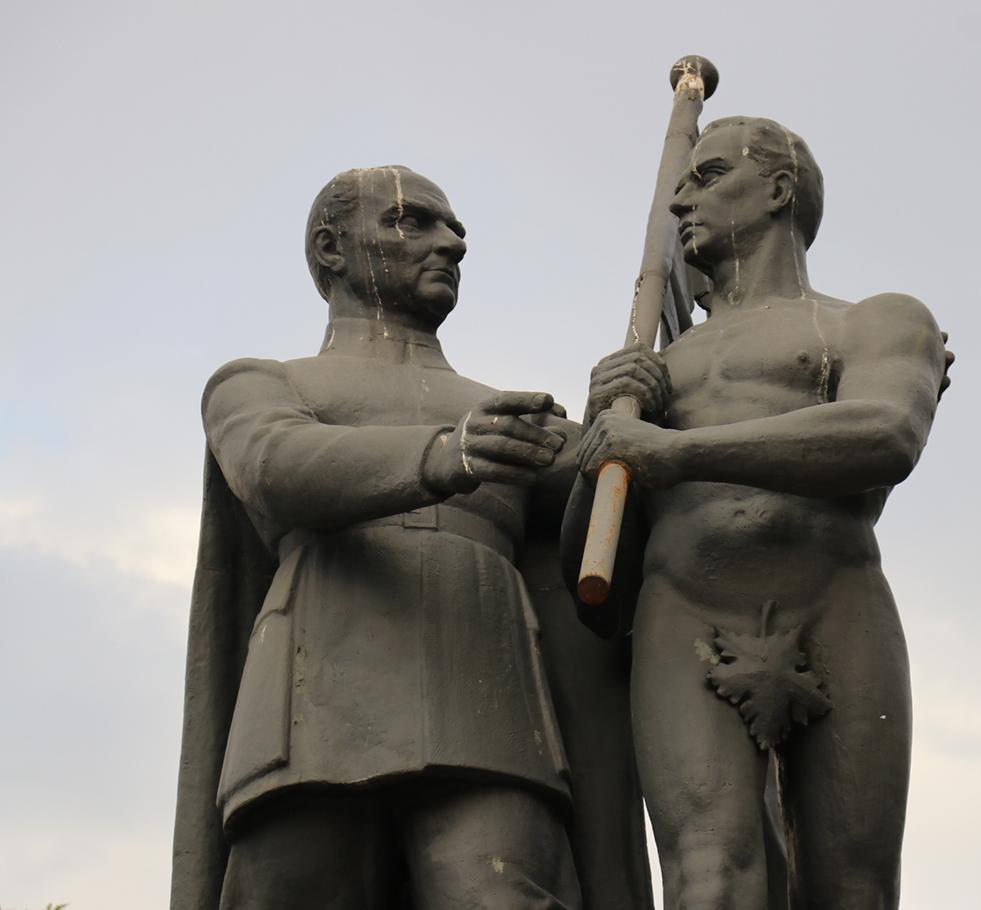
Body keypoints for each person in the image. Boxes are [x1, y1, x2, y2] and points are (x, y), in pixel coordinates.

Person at [171, 166, 647, 910]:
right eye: (411, 221)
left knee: (499, 895)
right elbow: (276, 465)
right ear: (331, 248)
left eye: (455, 229)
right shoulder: (263, 383)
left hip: (489, 703)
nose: (451, 244)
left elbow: (619, 532)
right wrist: (444, 456)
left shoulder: (515, 420)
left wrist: (625, 424)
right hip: (311, 707)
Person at [568, 117, 953, 909]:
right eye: (680, 185)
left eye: (707, 177)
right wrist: (600, 433)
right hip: (688, 608)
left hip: (835, 602)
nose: (681, 203)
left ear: (779, 190)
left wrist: (676, 453)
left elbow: (885, 434)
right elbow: (595, 589)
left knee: (853, 888)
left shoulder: (874, 320)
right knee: (709, 877)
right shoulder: (650, 377)